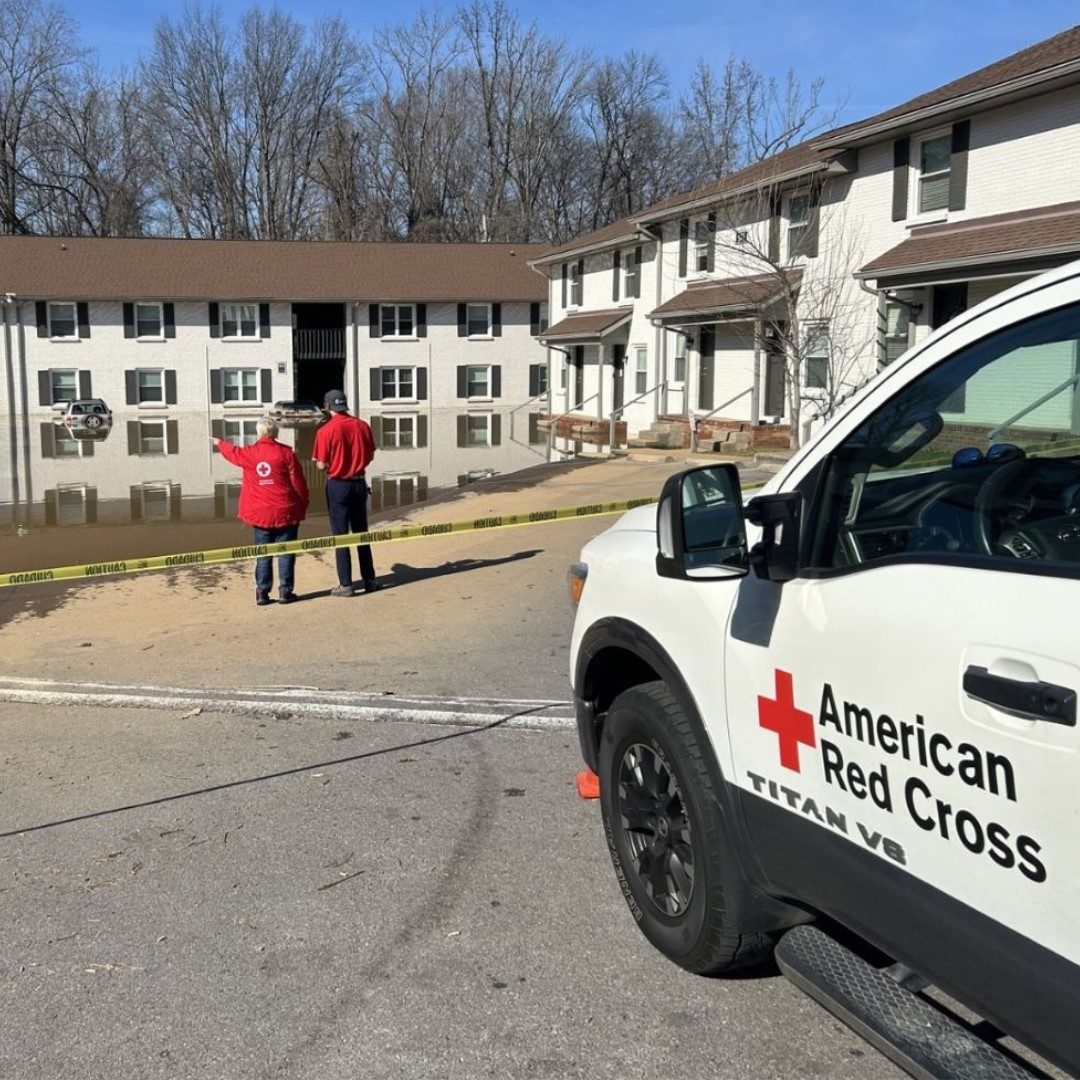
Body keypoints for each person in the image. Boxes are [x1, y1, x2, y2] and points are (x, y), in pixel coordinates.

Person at [213, 416, 309, 606]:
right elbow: (299, 485)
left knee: (263, 554)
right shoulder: (286, 454)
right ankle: (285, 591)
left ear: (259, 433)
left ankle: (262, 592)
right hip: (286, 512)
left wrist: (219, 443)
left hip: (260, 514)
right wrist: (303, 505)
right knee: (286, 552)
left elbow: (232, 452)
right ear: (275, 433)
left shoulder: (249, 453)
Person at [312, 389, 379, 597]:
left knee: (340, 535)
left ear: (328, 407)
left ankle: (346, 584)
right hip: (359, 483)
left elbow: (321, 465)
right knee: (361, 533)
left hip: (339, 485)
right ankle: (369, 579)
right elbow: (370, 456)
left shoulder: (325, 431)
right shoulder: (362, 426)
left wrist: (329, 462)